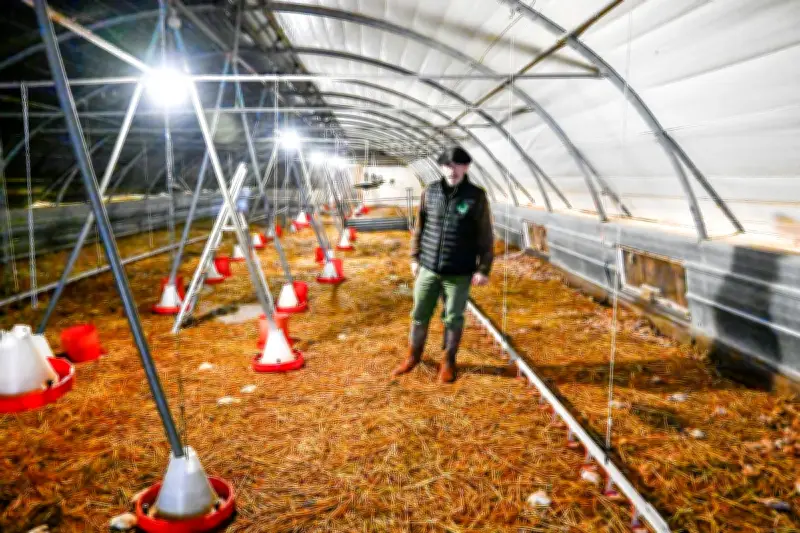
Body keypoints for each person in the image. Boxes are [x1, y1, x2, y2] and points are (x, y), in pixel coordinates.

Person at [392, 146, 493, 383]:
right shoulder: (430, 192)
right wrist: (414, 258)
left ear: (466, 167)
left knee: (453, 317)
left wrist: (483, 268)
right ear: (441, 167)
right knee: (419, 313)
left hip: (459, 271)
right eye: (448, 165)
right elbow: (420, 227)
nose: (452, 170)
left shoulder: (475, 196)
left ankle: (448, 361)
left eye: (458, 165)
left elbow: (485, 235)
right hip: (428, 267)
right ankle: (413, 356)